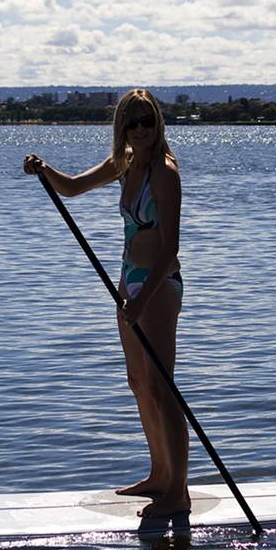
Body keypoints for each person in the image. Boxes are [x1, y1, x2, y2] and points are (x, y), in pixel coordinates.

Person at [22, 89, 189, 519]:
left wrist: (143, 299)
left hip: (158, 284)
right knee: (138, 382)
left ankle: (178, 491)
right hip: (128, 282)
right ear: (121, 128)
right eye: (131, 122)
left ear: (158, 124)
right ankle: (157, 474)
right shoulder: (124, 163)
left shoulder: (165, 174)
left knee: (162, 387)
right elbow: (74, 188)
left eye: (147, 121)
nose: (140, 129)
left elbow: (169, 249)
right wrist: (44, 170)